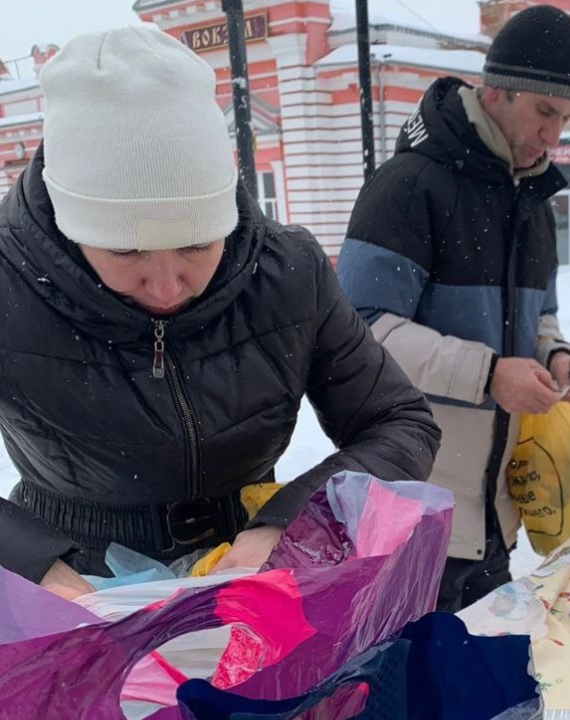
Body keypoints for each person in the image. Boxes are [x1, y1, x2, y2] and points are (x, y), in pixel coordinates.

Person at [0, 26, 440, 600]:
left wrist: (294, 520)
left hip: (257, 575)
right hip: (72, 589)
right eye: (125, 251)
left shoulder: (288, 272)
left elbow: (401, 423)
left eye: (196, 244)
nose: (166, 285)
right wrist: (31, 561)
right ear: (68, 226)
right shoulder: (9, 283)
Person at [336, 5, 570, 612]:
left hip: (495, 517)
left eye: (568, 118)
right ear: (497, 93)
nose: (554, 136)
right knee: (410, 692)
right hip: (413, 512)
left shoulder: (533, 197)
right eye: (545, 112)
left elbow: (541, 315)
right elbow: (360, 332)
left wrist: (556, 354)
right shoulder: (407, 186)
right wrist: (487, 374)